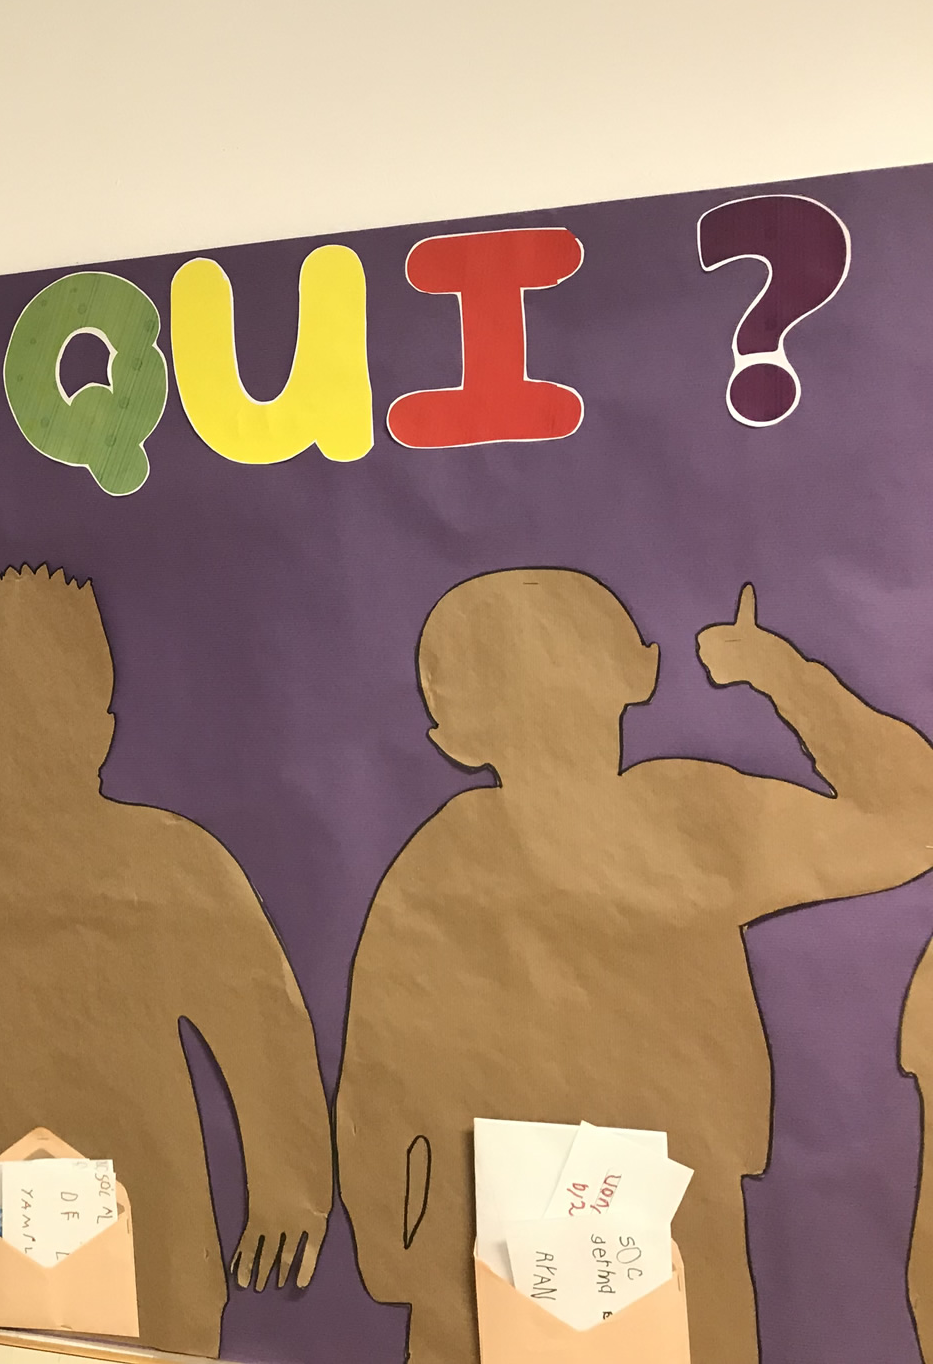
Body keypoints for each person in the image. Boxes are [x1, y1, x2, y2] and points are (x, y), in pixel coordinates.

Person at [338, 571, 933, 1364]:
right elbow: (910, 816)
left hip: (539, 1228)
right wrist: (780, 675)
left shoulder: (445, 861)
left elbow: (378, 1073)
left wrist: (389, 1250)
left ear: (453, 735)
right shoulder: (680, 818)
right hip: (640, 1213)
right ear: (640, 670)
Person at [0, 566, 331, 1358]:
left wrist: (289, 1185)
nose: (18, 750)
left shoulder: (169, 864)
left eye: (43, 719)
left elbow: (262, 1024)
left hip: (152, 1251)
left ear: (99, 728)